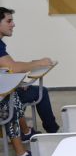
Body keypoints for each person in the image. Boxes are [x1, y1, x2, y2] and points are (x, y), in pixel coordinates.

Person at [0, 7, 59, 137]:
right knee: (41, 92)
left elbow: (6, 67)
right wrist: (38, 63)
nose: (13, 24)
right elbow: (13, 67)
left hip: (5, 91)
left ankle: (26, 131)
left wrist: (18, 82)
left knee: (31, 90)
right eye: (9, 21)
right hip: (3, 96)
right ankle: (53, 133)